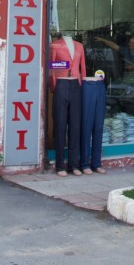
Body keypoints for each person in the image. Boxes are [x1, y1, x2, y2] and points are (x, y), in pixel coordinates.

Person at [49, 31, 86, 177]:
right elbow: (52, 69)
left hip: (75, 86)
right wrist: (54, 87)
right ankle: (60, 165)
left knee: (75, 125)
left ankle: (73, 164)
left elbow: (82, 67)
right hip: (61, 84)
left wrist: (81, 84)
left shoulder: (79, 46)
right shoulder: (55, 45)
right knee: (60, 124)